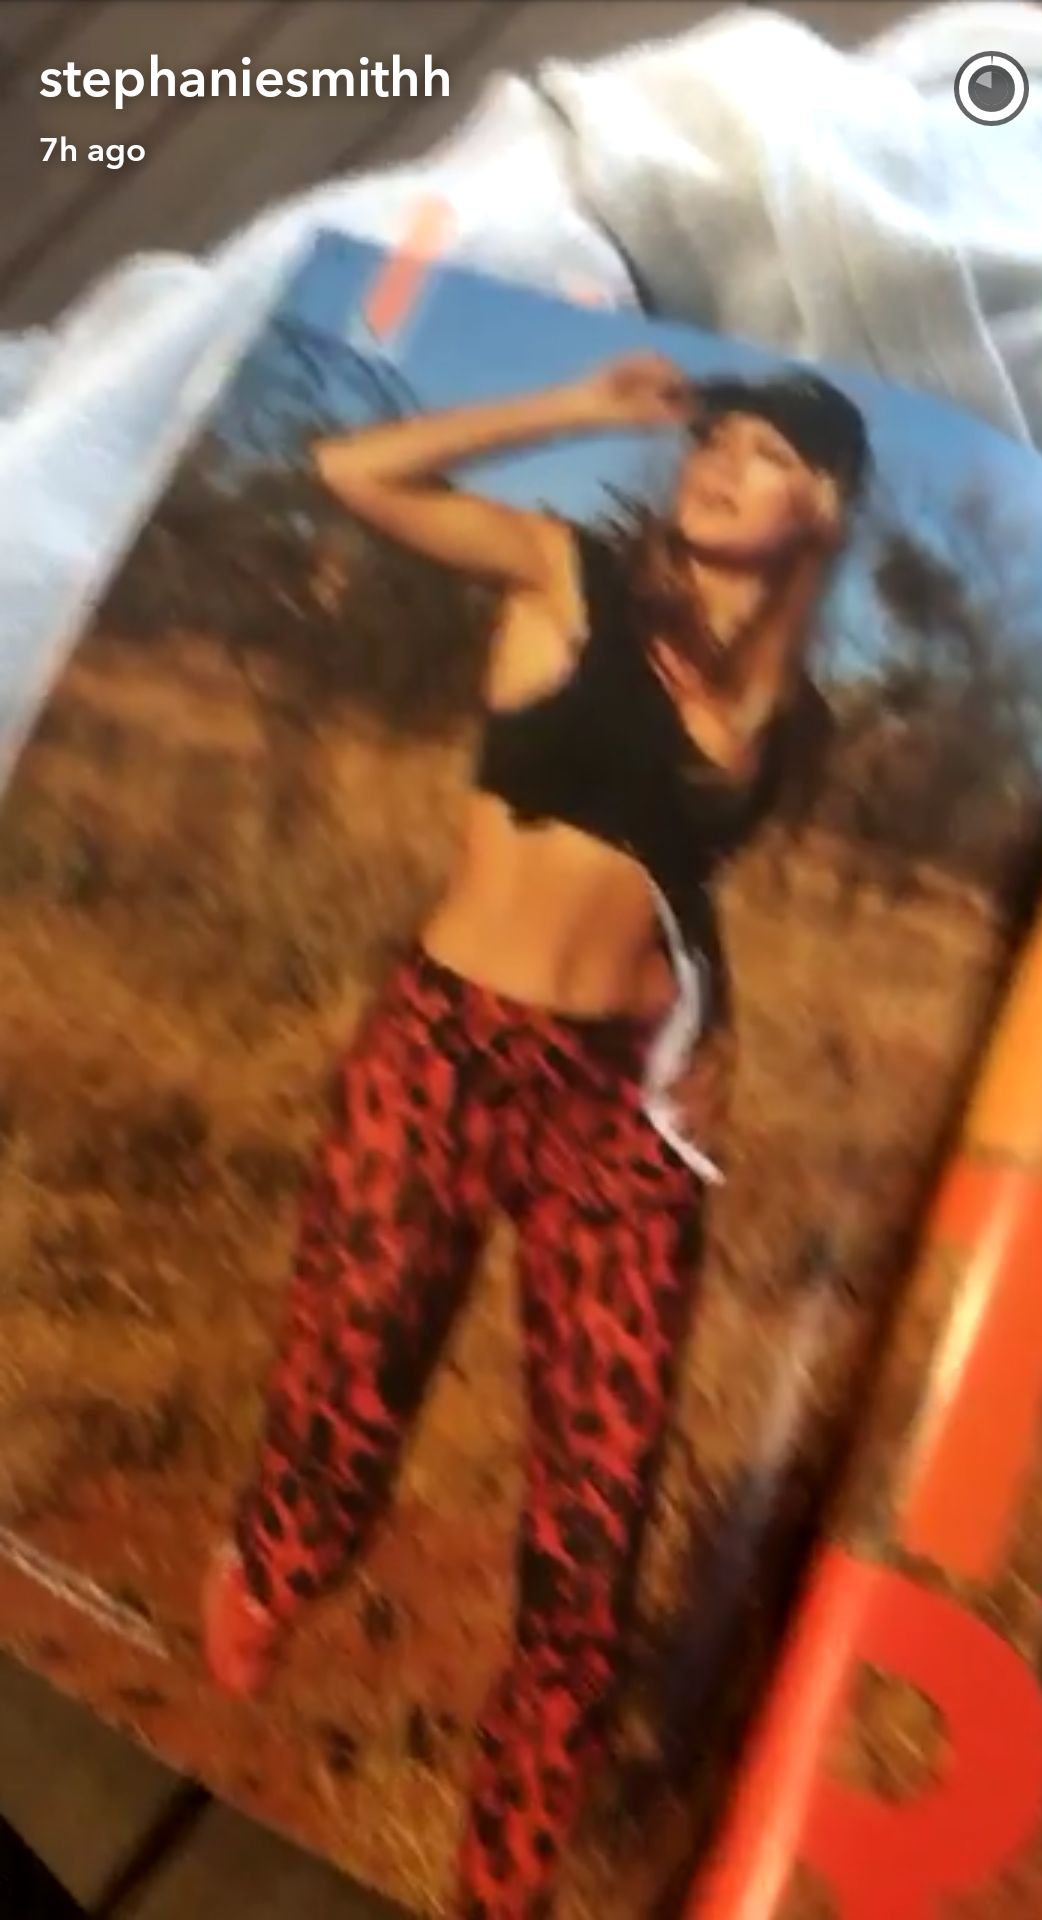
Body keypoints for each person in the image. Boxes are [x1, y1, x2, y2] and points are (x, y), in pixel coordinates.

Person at [201, 352, 869, 1918]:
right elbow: (354, 475)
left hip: (620, 1116)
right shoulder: (567, 578)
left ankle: (502, 1882)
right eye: (715, 440)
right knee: (347, 1412)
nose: (719, 465)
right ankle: (278, 1557)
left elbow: (679, 876)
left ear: (824, 509)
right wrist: (570, 411)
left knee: (596, 1530)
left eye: (765, 454)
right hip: (443, 1058)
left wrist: (719, 1025)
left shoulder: (798, 719)